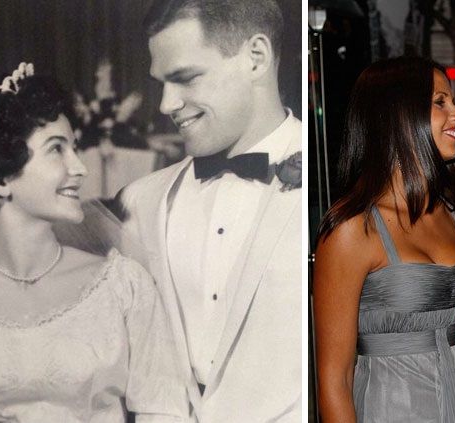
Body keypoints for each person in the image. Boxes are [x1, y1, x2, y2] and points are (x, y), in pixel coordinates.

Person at [0, 64, 188, 422]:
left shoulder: (121, 286)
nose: (79, 167)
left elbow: (164, 411)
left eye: (74, 148)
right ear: (2, 177)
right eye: (56, 149)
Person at [115, 0, 302, 421]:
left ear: (256, 57)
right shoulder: (140, 201)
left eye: (185, 78)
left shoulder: (326, 181)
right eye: (161, 83)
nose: (165, 104)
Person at [313, 56, 455, 423]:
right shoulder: (350, 230)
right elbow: (334, 379)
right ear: (398, 114)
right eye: (440, 102)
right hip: (389, 409)